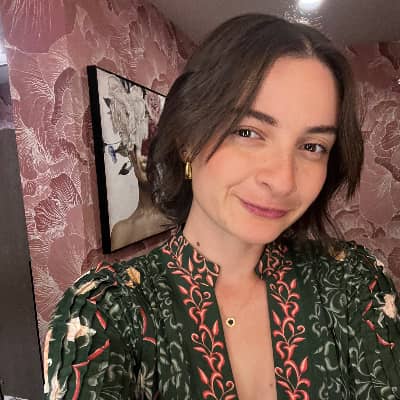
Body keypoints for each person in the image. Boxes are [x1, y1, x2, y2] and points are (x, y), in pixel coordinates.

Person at [43, 14, 400, 400]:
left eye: (312, 146)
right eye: (248, 132)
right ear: (187, 139)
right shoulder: (104, 312)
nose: (283, 181)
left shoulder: (352, 282)